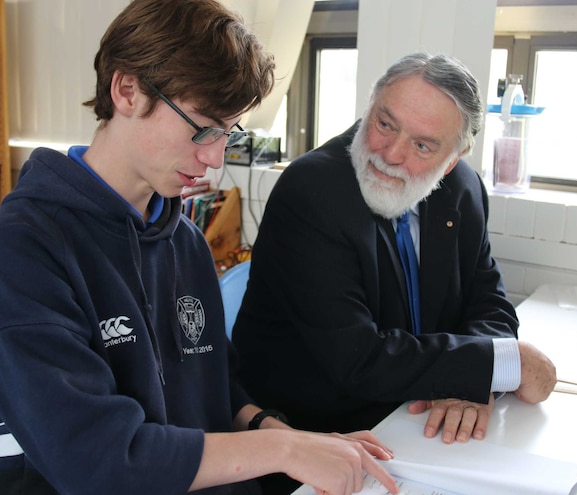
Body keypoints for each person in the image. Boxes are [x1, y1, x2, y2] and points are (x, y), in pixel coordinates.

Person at [0, 2, 399, 495]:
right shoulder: (23, 252)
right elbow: (104, 462)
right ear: (126, 91)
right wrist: (285, 451)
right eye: (201, 128)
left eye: (228, 132)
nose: (214, 161)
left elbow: (217, 381)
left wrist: (287, 433)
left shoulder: (182, 238)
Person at [233, 52, 556, 446]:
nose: (391, 154)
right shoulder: (311, 192)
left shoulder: (461, 188)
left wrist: (472, 381)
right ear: (369, 105)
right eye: (385, 124)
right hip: (314, 434)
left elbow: (488, 302)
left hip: (413, 422)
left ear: (453, 159)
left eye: (422, 146)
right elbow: (359, 357)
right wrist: (500, 363)